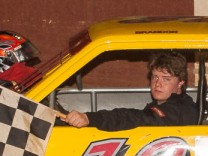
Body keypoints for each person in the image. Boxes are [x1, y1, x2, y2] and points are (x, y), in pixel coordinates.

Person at [62, 52, 198, 131]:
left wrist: (90, 118)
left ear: (181, 83)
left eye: (166, 79)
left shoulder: (177, 110)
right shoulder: (168, 103)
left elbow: (136, 118)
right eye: (155, 77)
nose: (158, 83)